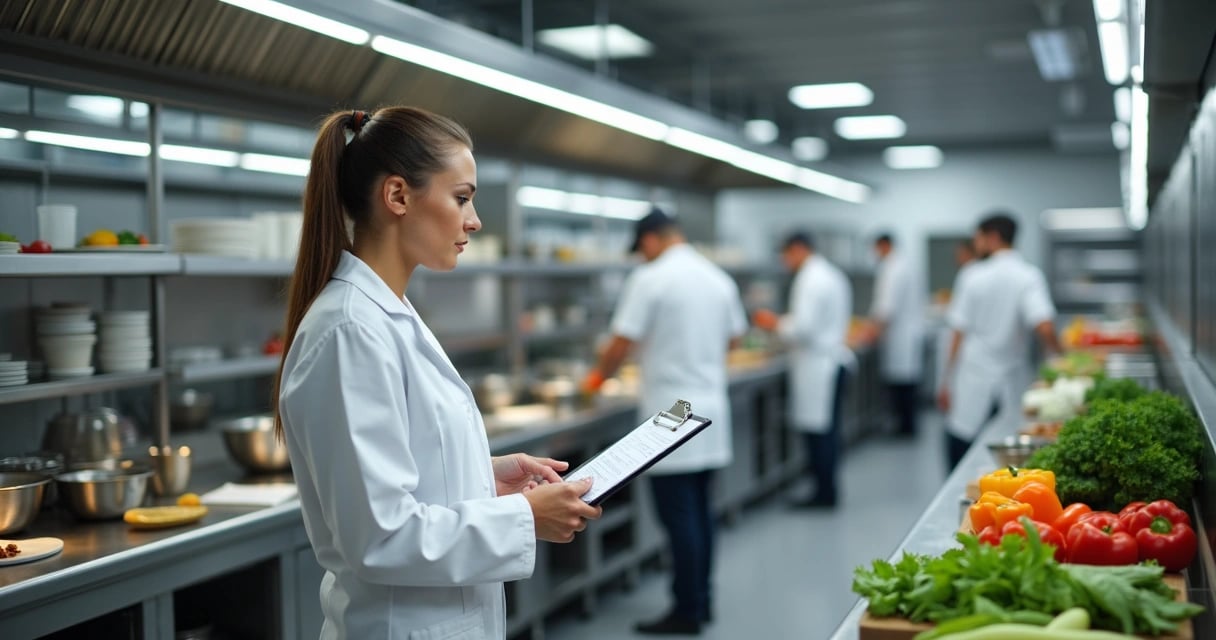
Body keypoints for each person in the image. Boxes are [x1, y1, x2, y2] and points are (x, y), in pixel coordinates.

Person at [274, 107, 601, 640]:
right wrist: (524, 518)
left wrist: (481, 477)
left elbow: (407, 468)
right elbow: (380, 537)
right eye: (462, 197)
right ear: (398, 196)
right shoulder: (350, 330)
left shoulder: (389, 315)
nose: (473, 221)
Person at [582, 208, 747, 636]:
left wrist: (597, 379)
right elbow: (735, 338)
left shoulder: (650, 279)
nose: (642, 257)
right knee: (700, 514)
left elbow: (621, 342)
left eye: (642, 249)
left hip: (669, 418)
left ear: (651, 239)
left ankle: (686, 611)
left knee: (678, 519)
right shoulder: (718, 279)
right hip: (710, 408)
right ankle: (701, 602)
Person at [937, 213, 1061, 470]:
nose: (976, 245)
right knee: (1004, 457)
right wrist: (1061, 359)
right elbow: (1045, 326)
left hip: (972, 377)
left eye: (978, 239)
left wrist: (946, 381)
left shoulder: (971, 275)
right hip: (1010, 380)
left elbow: (957, 333)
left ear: (992, 237)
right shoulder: (1028, 276)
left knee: (961, 452)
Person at [752, 232, 854, 509]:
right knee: (826, 433)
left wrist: (773, 323)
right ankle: (826, 490)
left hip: (819, 366)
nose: (785, 262)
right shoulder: (829, 274)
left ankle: (823, 495)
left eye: (785, 255)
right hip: (830, 361)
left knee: (820, 436)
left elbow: (804, 329)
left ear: (797, 249)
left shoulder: (811, 279)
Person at [864, 233, 926, 438]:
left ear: (883, 245)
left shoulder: (892, 268)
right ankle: (907, 426)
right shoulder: (904, 265)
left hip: (900, 336)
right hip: (906, 334)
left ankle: (904, 429)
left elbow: (886, 308)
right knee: (905, 383)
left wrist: (871, 332)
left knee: (902, 386)